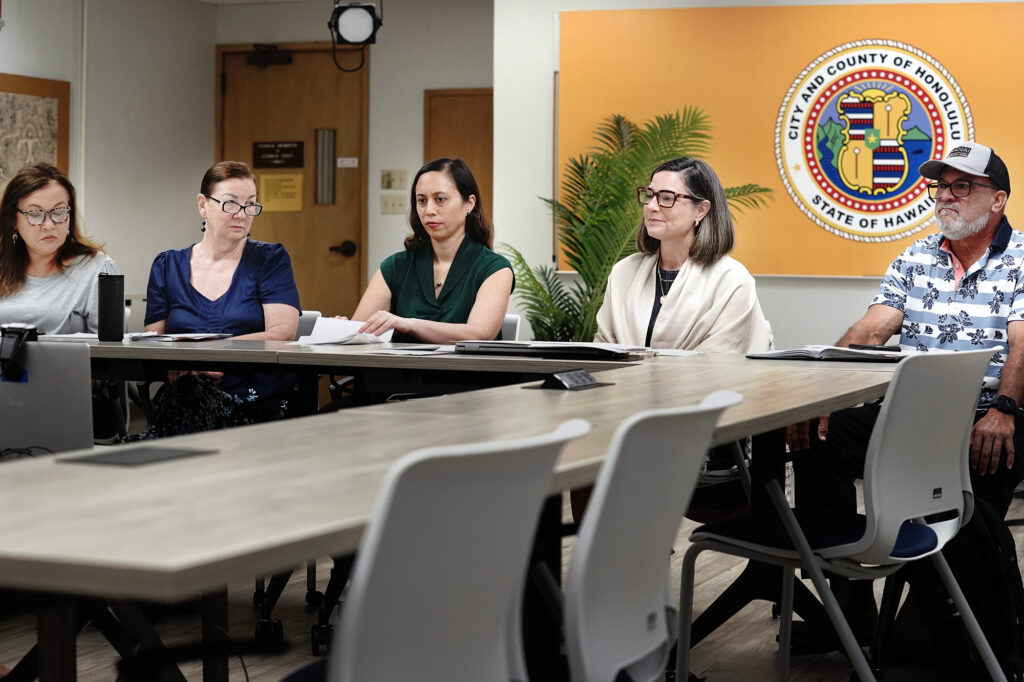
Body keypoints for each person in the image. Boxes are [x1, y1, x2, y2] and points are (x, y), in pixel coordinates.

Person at [789, 140, 1024, 645]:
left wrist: (1004, 409)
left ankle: (966, 625)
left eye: (963, 186)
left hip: (990, 413)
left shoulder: (1022, 257)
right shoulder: (918, 255)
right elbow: (872, 330)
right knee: (817, 436)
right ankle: (846, 605)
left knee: (968, 512)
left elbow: (1023, 342)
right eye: (942, 186)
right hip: (910, 412)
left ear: (998, 200)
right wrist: (820, 395)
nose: (946, 196)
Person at [139, 161, 300, 430]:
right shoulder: (167, 265)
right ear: (203, 205)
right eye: (231, 203)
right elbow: (156, 341)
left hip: (255, 396)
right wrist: (188, 367)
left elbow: (281, 333)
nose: (242, 214)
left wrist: (206, 354)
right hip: (187, 394)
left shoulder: (269, 259)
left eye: (250, 204)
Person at [595, 156, 772, 353]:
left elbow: (719, 365)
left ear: (701, 210)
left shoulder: (731, 280)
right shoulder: (623, 272)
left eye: (667, 198)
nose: (652, 206)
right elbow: (602, 352)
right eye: (649, 195)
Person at [352, 157, 514, 343]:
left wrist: (410, 324)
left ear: (469, 203)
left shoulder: (495, 268)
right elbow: (360, 331)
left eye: (440, 199)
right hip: (403, 372)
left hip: (468, 372)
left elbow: (479, 334)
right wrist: (338, 329)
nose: (429, 210)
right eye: (421, 200)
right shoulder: (395, 266)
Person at [0, 162, 118, 333]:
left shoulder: (98, 269)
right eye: (35, 214)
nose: (49, 225)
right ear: (13, 220)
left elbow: (111, 353)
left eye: (59, 212)